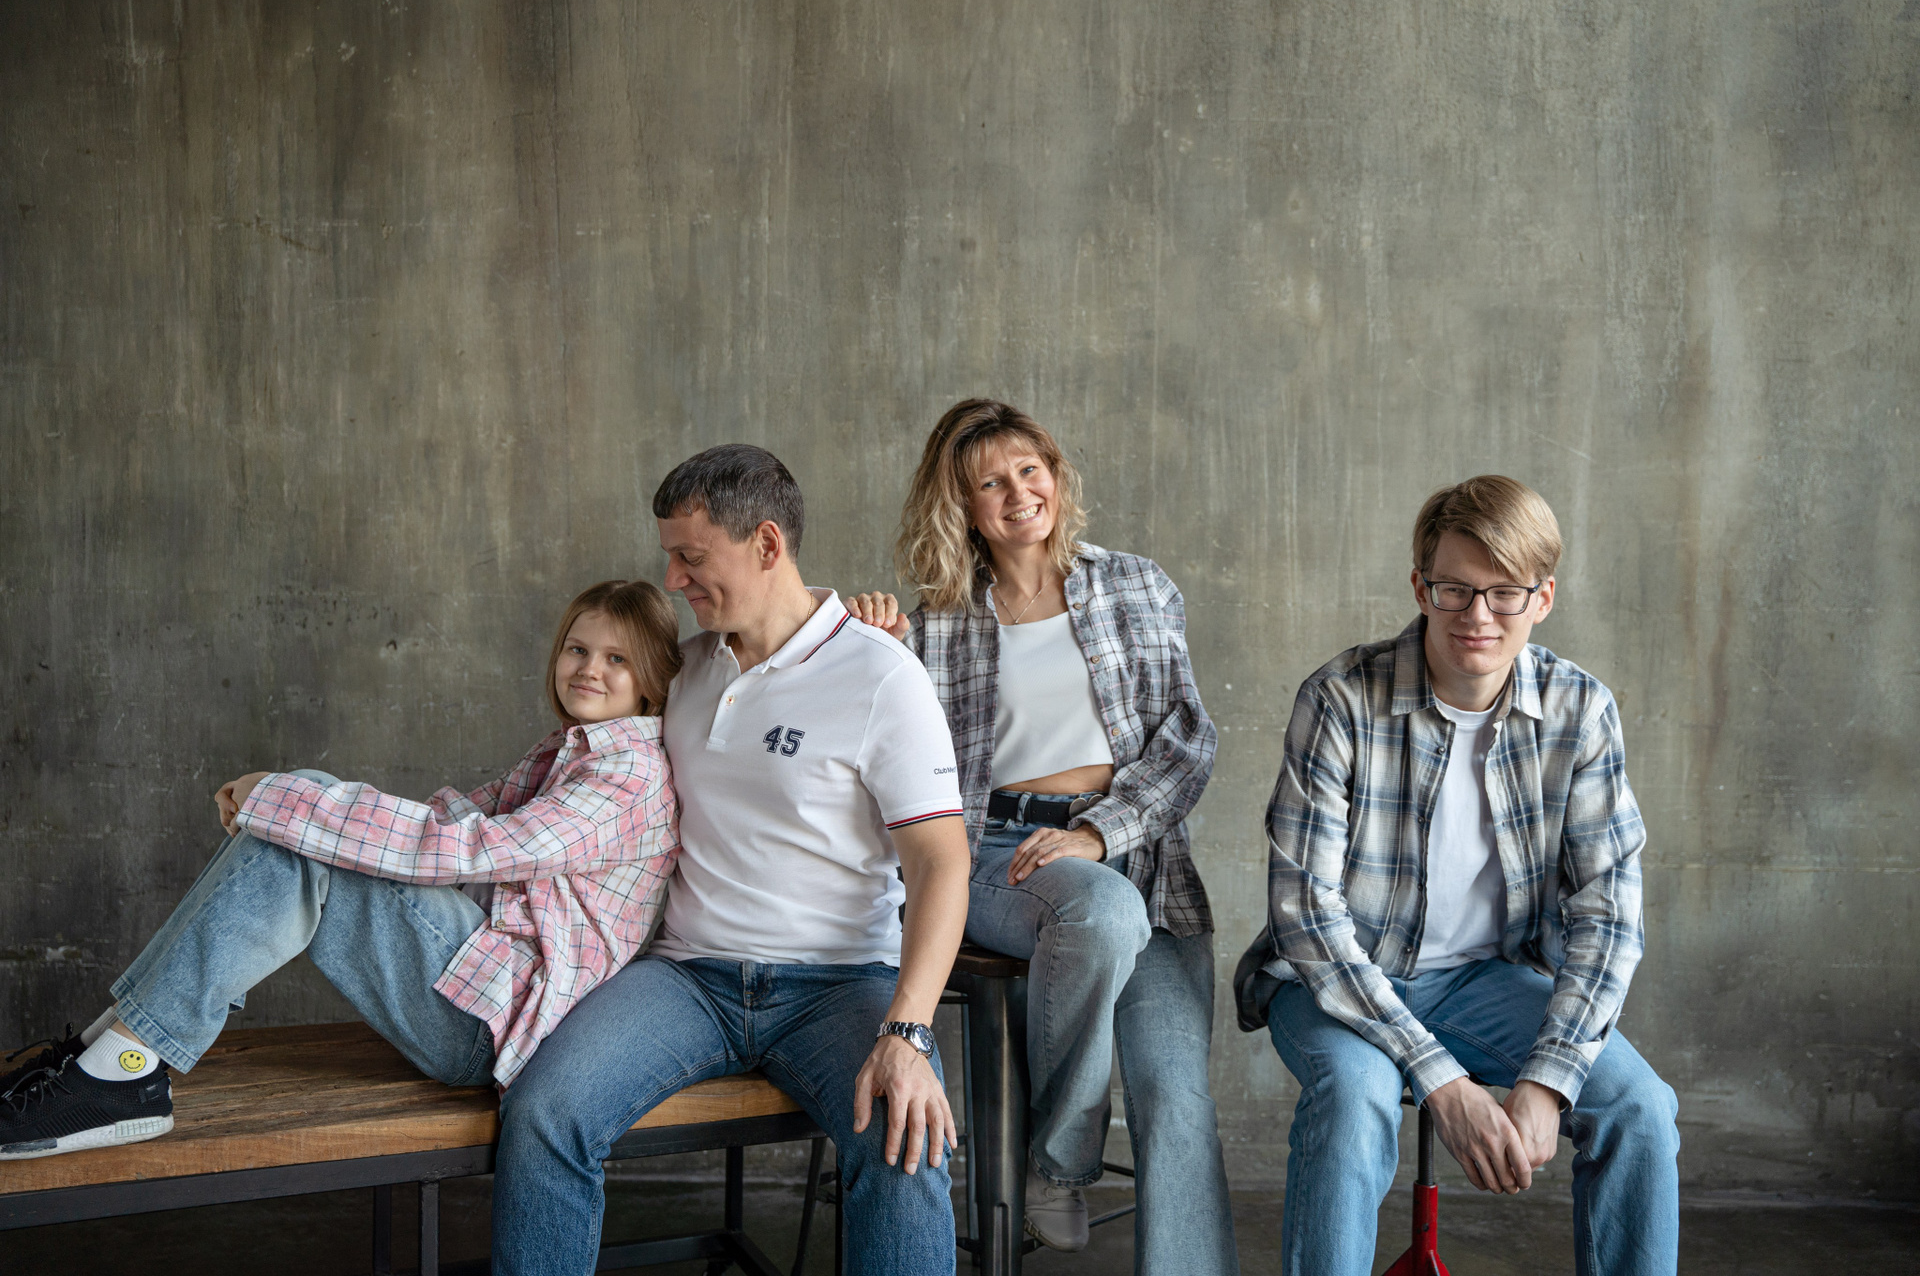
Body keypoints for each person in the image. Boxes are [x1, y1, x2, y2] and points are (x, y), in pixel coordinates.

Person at [491, 445, 971, 1276]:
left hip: (838, 985)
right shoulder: (682, 669)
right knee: (544, 1113)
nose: (672, 579)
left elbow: (941, 865)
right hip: (689, 980)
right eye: (670, 557)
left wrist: (907, 1030)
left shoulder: (882, 676)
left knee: (905, 1141)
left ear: (767, 544)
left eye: (691, 557)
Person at [1, 579, 684, 1159]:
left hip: (495, 1032)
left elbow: (470, 850)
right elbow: (448, 821)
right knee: (306, 822)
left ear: (653, 679)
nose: (589, 669)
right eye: (577, 649)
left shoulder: (628, 779)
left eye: (617, 659)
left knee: (306, 828)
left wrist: (289, 800)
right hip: (476, 995)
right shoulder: (570, 752)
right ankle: (110, 1052)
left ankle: (122, 1066)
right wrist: (295, 802)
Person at [1233, 475, 1681, 1275]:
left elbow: (1609, 916)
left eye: (1505, 593)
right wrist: (1440, 1079)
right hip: (1334, 979)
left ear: (1543, 598)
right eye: (1456, 590)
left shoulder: (1581, 711)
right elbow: (1307, 916)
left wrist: (1548, 1080)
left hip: (1483, 981)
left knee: (1640, 1106)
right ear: (1421, 587)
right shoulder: (1340, 701)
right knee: (1357, 1097)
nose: (1478, 616)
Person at [850, 399, 1237, 1273]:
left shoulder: (1137, 585)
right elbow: (896, 760)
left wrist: (1100, 833)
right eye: (990, 482)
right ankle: (1058, 1167)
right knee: (1097, 915)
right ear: (963, 506)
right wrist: (872, 651)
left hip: (1139, 855)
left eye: (1030, 470)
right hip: (996, 851)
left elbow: (1189, 740)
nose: (1019, 493)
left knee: (1177, 1100)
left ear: (1056, 476)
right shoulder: (939, 621)